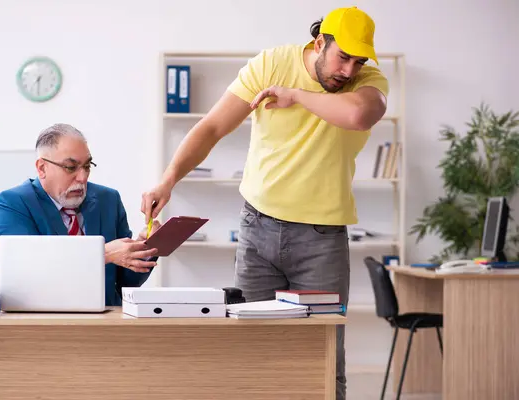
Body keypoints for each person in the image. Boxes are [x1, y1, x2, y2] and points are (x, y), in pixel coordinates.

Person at [141, 6, 388, 399]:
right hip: (257, 232)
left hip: (321, 242)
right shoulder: (273, 62)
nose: (349, 70)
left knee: (325, 362)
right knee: (255, 358)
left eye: (359, 61)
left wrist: (295, 95)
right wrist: (168, 180)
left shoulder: (368, 82)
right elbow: (212, 127)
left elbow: (359, 115)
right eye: (343, 57)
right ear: (320, 41)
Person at [0, 123, 160, 306]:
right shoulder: (12, 203)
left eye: (87, 166)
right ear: (42, 168)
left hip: (107, 321)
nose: (83, 177)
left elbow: (125, 283)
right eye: (71, 167)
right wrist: (104, 254)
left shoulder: (108, 200)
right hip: (44, 320)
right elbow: (28, 265)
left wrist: (144, 249)